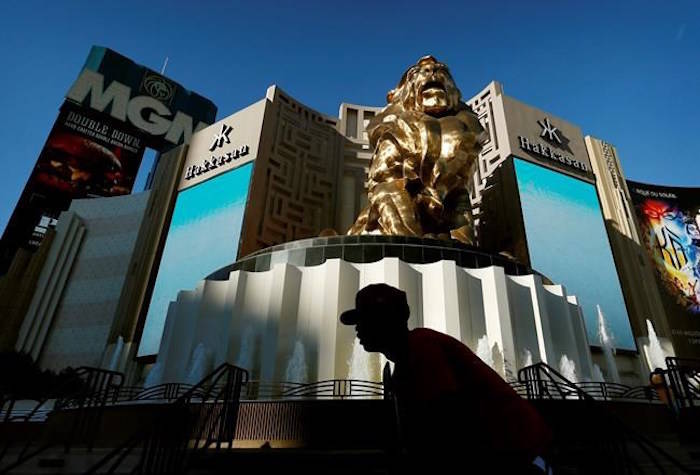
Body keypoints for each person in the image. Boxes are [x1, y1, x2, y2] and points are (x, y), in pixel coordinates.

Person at [340, 283, 551, 472]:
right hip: (507, 451)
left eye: (364, 320)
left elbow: (444, 419)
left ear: (385, 321)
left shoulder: (422, 348)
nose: (357, 329)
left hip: (520, 454)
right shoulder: (407, 359)